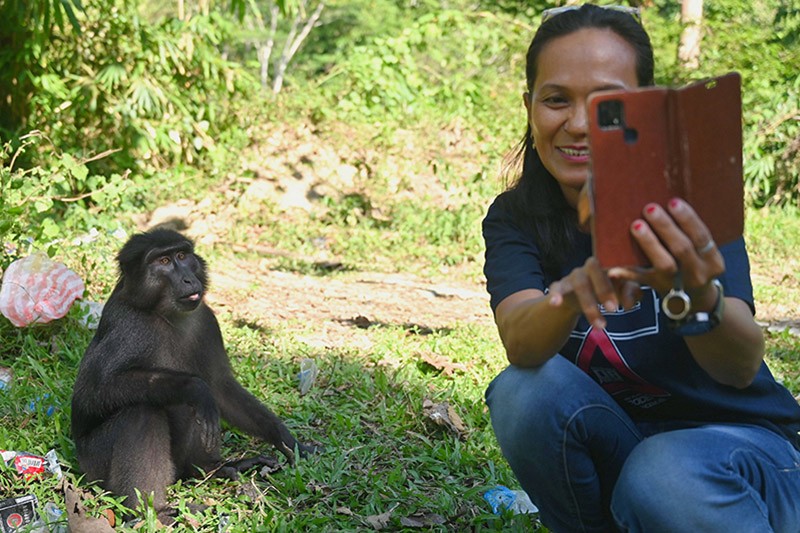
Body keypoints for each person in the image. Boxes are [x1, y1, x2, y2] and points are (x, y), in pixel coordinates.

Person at [481, 4, 800, 532]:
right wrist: (570, 294)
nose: (577, 124)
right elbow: (521, 341)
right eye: (556, 99)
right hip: (630, 450)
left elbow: (740, 367)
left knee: (664, 471)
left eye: (607, 103)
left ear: (646, 108)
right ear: (529, 106)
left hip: (748, 454)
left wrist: (695, 295)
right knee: (523, 391)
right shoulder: (516, 217)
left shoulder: (688, 207)